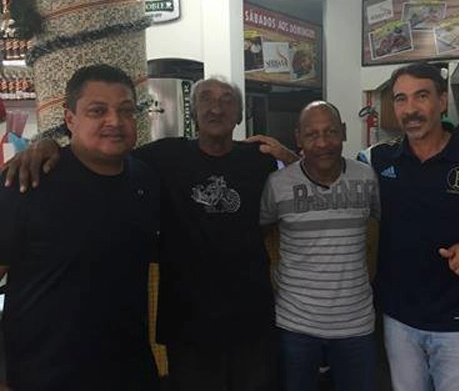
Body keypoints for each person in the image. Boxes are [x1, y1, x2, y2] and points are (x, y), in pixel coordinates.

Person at [4, 77, 298, 391]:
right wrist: (44, 146)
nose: (216, 108)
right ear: (193, 113)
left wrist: (291, 157)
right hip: (186, 326)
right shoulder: (160, 158)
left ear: (240, 114)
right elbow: (102, 153)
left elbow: (309, 184)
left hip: (249, 321)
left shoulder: (261, 160)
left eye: (227, 100)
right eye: (206, 100)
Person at [359, 62, 459, 391]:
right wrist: (286, 157)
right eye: (401, 99)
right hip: (399, 317)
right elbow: (330, 172)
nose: (410, 109)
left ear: (442, 101)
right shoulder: (377, 159)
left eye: (421, 96)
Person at [0, 64, 160, 390]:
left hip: (129, 372)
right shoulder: (25, 183)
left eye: (126, 111)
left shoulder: (145, 179)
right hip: (43, 376)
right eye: (97, 111)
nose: (115, 121)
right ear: (70, 119)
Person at [260, 102, 380, 391]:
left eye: (331, 132)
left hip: (357, 325)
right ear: (298, 138)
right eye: (312, 134)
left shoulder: (366, 177)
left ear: (345, 133)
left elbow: (378, 231)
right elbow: (263, 234)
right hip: (295, 325)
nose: (323, 142)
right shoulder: (277, 184)